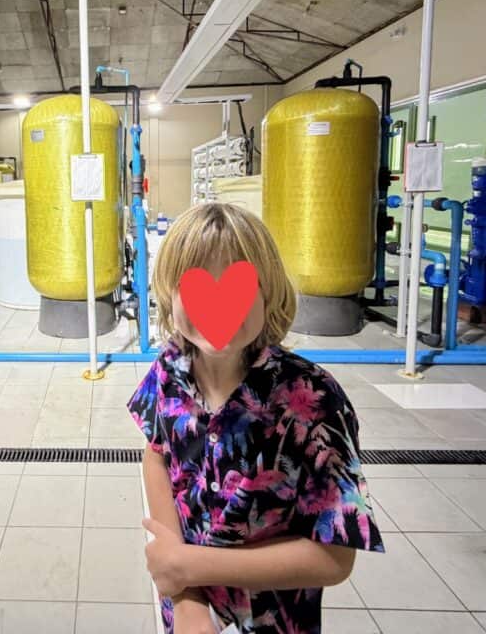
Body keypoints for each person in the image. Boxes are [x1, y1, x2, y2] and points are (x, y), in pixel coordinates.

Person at [127, 203, 383, 634]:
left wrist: (191, 566)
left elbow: (335, 557)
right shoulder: (168, 370)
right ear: (169, 297)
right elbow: (156, 453)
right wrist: (187, 601)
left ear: (270, 294)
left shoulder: (314, 400)